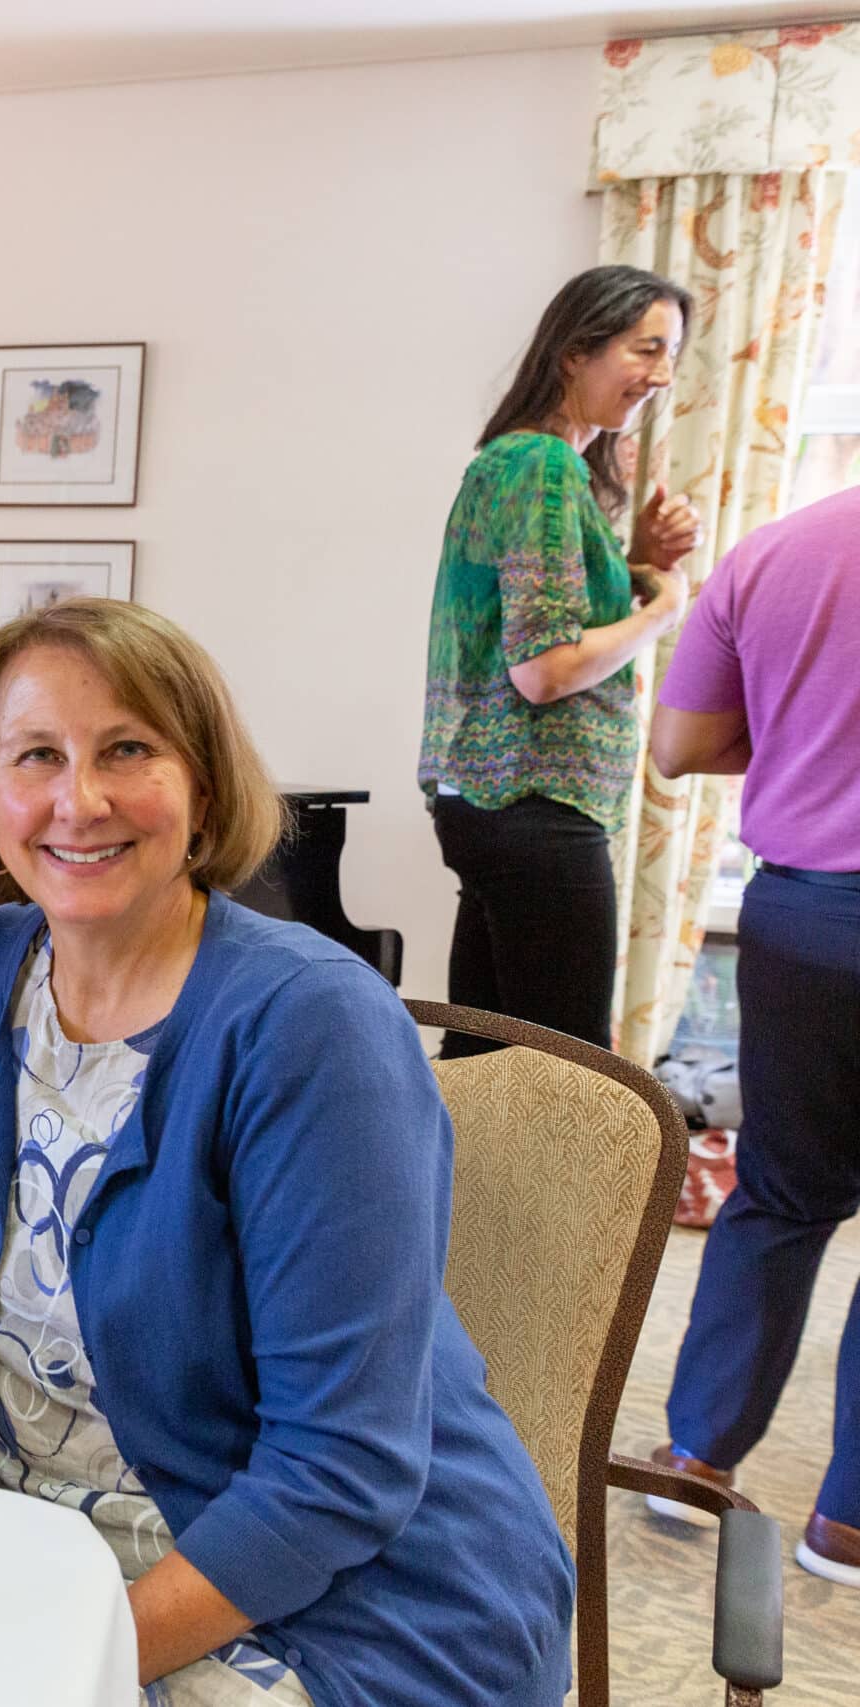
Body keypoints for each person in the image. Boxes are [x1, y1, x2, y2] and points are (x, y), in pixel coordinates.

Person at [0, 601, 572, 1705]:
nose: (79, 800)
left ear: (200, 788)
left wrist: (54, 1667)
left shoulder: (308, 1027)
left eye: (127, 750)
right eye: (37, 756)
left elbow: (336, 1473)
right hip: (32, 1547)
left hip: (324, 1594)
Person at [647, 481, 860, 1588]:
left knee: (779, 1193)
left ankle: (695, 1458)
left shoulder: (777, 549)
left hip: (805, 918)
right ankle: (850, 1525)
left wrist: (808, 733)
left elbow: (679, 744)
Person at [417, 264, 703, 1053]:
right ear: (576, 351)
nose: (661, 374)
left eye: (671, 354)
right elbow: (545, 668)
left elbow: (553, 629)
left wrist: (637, 562)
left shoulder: (526, 466)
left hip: (500, 800)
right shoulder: (540, 466)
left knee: (489, 1064)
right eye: (646, 349)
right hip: (533, 799)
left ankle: (458, 1185)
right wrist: (665, 605)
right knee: (573, 1080)